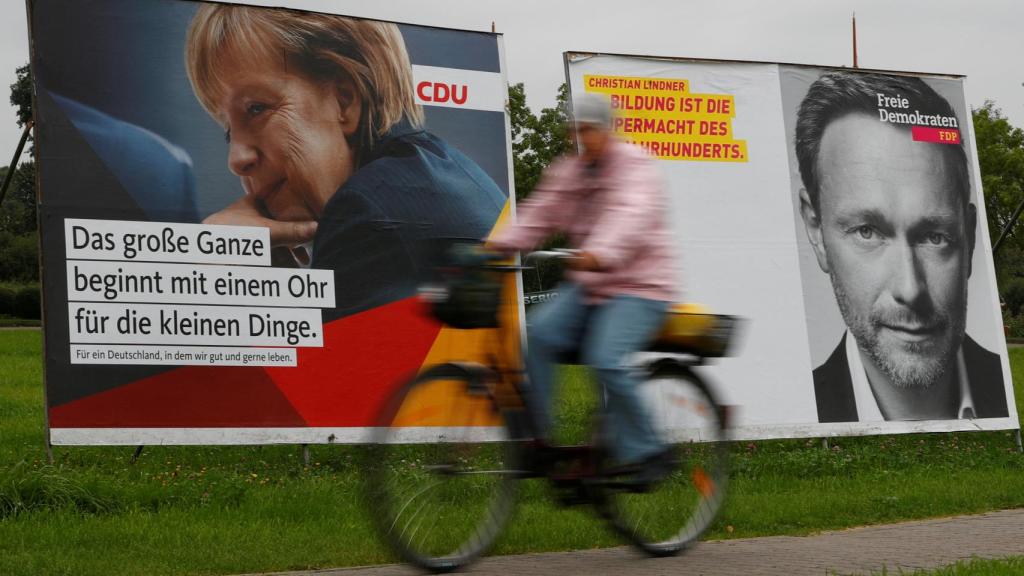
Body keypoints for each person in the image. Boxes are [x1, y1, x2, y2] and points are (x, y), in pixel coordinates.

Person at [185, 6, 506, 318]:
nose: (236, 159)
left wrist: (210, 276)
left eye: (256, 108)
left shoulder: (365, 217)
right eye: (229, 132)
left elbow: (325, 372)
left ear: (344, 100)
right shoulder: (445, 171)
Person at [795, 71, 1007, 423]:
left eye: (934, 237)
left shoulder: (1001, 386)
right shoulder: (798, 405)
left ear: (967, 238)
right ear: (816, 230)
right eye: (867, 231)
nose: (910, 288)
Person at [489, 93, 678, 476]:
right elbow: (541, 213)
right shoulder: (570, 171)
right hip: (590, 286)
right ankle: (540, 440)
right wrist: (497, 246)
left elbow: (632, 212)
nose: (581, 138)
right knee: (539, 334)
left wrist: (600, 252)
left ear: (608, 130)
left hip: (640, 288)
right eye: (576, 130)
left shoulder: (634, 167)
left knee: (605, 358)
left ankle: (650, 450)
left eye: (589, 130)